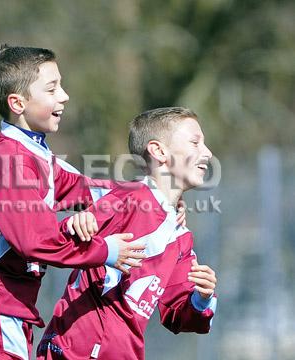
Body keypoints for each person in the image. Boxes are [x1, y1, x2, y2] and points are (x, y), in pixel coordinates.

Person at [0, 44, 151, 360]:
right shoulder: (11, 163)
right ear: (17, 103)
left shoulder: (36, 156)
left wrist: (154, 195)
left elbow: (88, 190)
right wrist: (107, 251)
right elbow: (36, 241)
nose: (63, 96)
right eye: (52, 89)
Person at [37, 107, 218, 360]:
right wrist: (74, 225)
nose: (207, 152)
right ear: (159, 151)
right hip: (74, 351)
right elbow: (51, 242)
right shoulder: (127, 198)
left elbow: (177, 314)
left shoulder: (181, 236)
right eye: (195, 142)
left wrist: (201, 298)